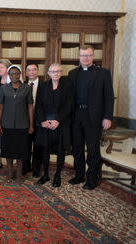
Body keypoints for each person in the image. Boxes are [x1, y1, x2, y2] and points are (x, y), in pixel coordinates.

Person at [68, 45, 114, 190]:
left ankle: (92, 179)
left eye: (88, 55)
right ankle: (79, 175)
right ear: (79, 57)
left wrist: (107, 117)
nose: (85, 58)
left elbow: (109, 97)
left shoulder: (103, 73)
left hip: (94, 116)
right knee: (77, 148)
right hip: (76, 115)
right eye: (82, 55)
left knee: (93, 149)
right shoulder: (72, 73)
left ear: (93, 56)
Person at [35, 64, 73, 187]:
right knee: (45, 150)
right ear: (49, 73)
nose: (55, 73)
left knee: (60, 151)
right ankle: (45, 174)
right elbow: (39, 105)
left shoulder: (67, 86)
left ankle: (57, 175)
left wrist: (58, 120)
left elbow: (69, 106)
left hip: (61, 123)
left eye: (58, 71)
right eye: (53, 71)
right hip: (46, 123)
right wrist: (42, 121)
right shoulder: (43, 86)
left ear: (61, 73)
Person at [0, 65, 34, 183]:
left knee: (21, 151)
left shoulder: (27, 88)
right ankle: (9, 173)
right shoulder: (4, 88)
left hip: (22, 125)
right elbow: (0, 107)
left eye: (17, 73)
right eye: (11, 74)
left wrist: (31, 125)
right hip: (7, 124)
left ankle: (18, 174)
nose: (14, 76)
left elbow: (30, 107)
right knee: (9, 151)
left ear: (20, 75)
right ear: (8, 75)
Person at [25, 63, 42, 177]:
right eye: (29, 70)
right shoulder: (22, 86)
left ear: (38, 71)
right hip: (25, 120)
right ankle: (25, 167)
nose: (32, 72)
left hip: (40, 120)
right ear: (26, 72)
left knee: (38, 145)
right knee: (25, 144)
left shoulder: (45, 85)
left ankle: (36, 169)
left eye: (34, 70)